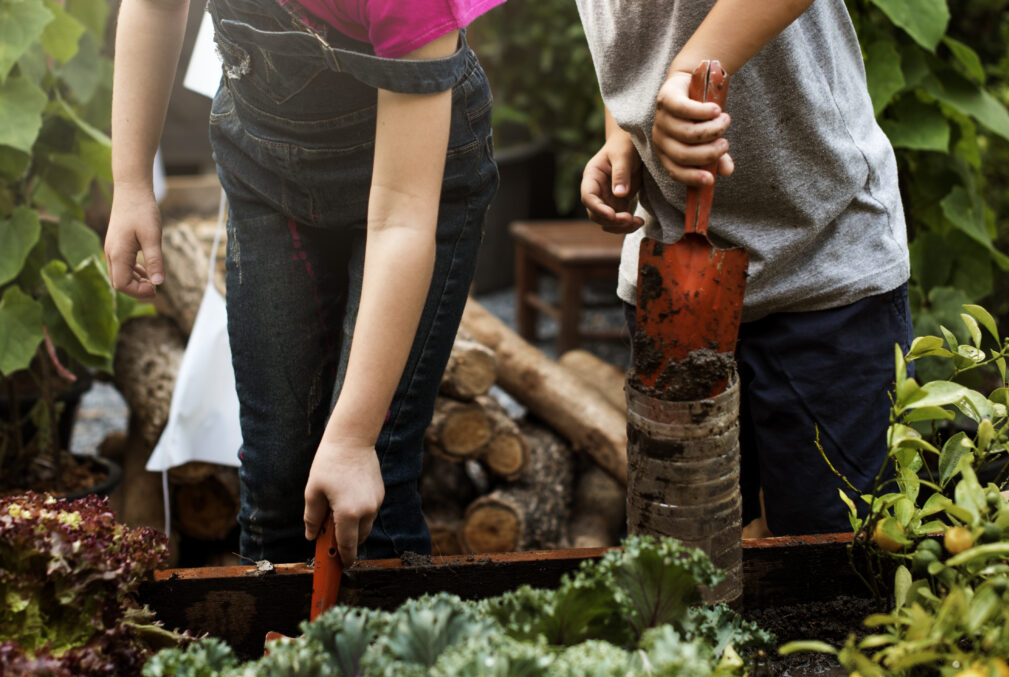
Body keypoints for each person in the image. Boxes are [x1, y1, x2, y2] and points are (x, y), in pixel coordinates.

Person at [105, 0, 502, 566]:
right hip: (267, 175)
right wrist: (131, 183)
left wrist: (353, 438)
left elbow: (400, 221)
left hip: (416, 196)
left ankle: (381, 653)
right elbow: (153, 6)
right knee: (275, 478)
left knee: (375, 483)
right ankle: (279, 649)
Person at [576, 0, 913, 536]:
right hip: (673, 279)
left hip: (820, 269)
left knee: (836, 555)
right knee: (685, 547)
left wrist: (691, 70)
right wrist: (622, 132)